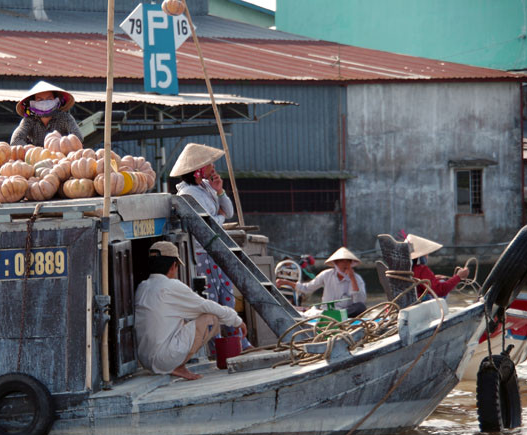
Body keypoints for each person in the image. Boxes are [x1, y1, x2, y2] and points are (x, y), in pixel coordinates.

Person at [171, 142, 251, 351]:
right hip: (201, 254)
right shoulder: (189, 194)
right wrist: (220, 217)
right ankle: (215, 348)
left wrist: (220, 192)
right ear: (198, 169)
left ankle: (237, 343)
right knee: (211, 300)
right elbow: (211, 222)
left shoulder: (205, 187)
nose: (213, 167)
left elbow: (228, 212)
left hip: (214, 251)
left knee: (226, 297)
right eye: (208, 164)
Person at [135, 241, 248, 381]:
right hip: (163, 359)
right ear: (173, 266)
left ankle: (175, 364)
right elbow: (207, 306)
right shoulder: (171, 286)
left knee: (186, 317)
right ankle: (178, 366)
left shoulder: (143, 286)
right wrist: (237, 321)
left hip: (146, 361)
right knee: (210, 317)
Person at [276, 247, 367, 318]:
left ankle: (334, 316)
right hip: (326, 312)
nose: (345, 264)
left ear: (351, 263)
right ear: (335, 263)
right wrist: (286, 282)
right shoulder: (326, 274)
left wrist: (352, 278)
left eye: (348, 261)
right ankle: (329, 316)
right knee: (312, 311)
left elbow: (359, 301)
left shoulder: (357, 278)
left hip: (345, 312)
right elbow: (307, 288)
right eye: (341, 261)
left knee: (360, 307)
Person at [10, 81, 82, 147]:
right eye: (40, 100)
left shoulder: (65, 118)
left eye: (49, 99)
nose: (45, 103)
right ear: (33, 103)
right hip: (36, 158)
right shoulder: (29, 120)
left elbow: (78, 137)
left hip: (61, 157)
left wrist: (62, 146)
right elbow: (15, 140)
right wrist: (33, 150)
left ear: (56, 100)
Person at [405, 234, 469, 298]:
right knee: (442, 283)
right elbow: (440, 290)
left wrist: (434, 278)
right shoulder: (421, 270)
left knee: (440, 280)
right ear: (420, 255)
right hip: (417, 302)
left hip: (403, 303)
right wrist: (458, 277)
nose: (427, 256)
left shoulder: (400, 268)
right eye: (426, 253)